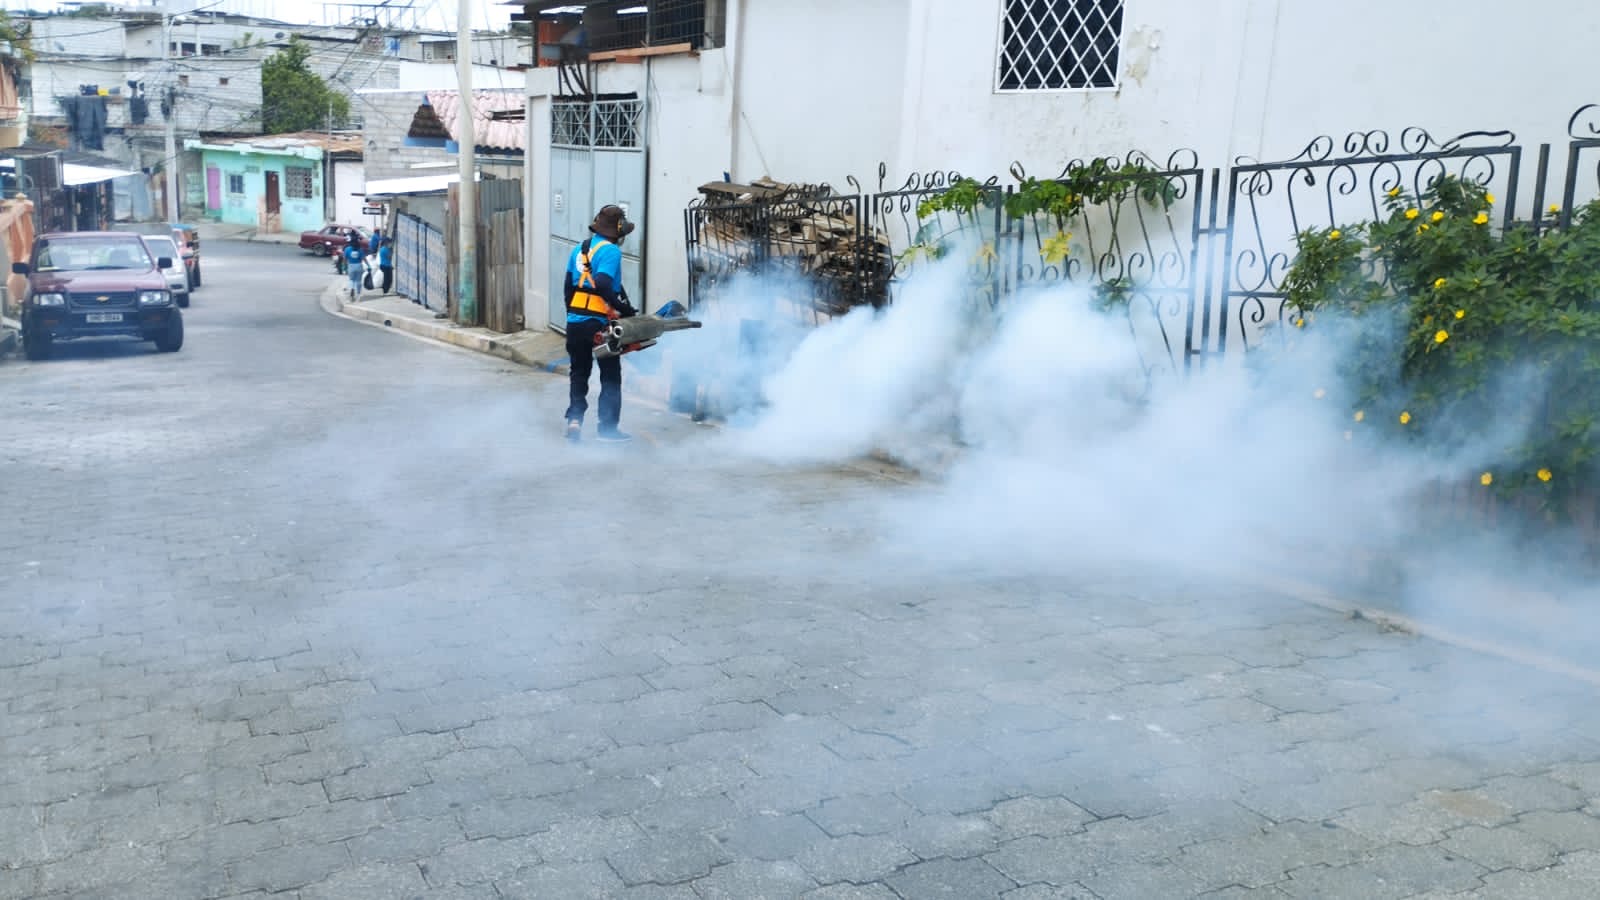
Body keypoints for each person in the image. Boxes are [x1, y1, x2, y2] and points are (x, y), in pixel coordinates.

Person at [564, 204, 637, 444]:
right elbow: (603, 283)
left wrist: (573, 316)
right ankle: (607, 429)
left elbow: (568, 288)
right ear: (618, 230)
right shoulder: (611, 251)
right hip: (599, 324)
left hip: (575, 322)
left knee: (579, 372)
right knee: (610, 376)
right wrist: (623, 309)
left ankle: (574, 420)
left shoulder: (579, 249)